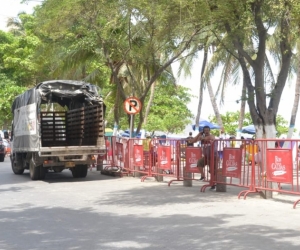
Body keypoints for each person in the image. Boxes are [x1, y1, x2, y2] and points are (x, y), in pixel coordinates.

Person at [187, 125, 219, 189]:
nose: (206, 131)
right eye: (205, 130)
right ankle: (203, 176)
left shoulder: (212, 136)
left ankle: (213, 184)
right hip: (206, 156)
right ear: (203, 131)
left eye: (207, 130)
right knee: (199, 163)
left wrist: (202, 138)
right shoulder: (202, 136)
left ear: (209, 130)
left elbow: (209, 138)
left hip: (214, 156)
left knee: (212, 171)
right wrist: (199, 134)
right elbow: (192, 141)